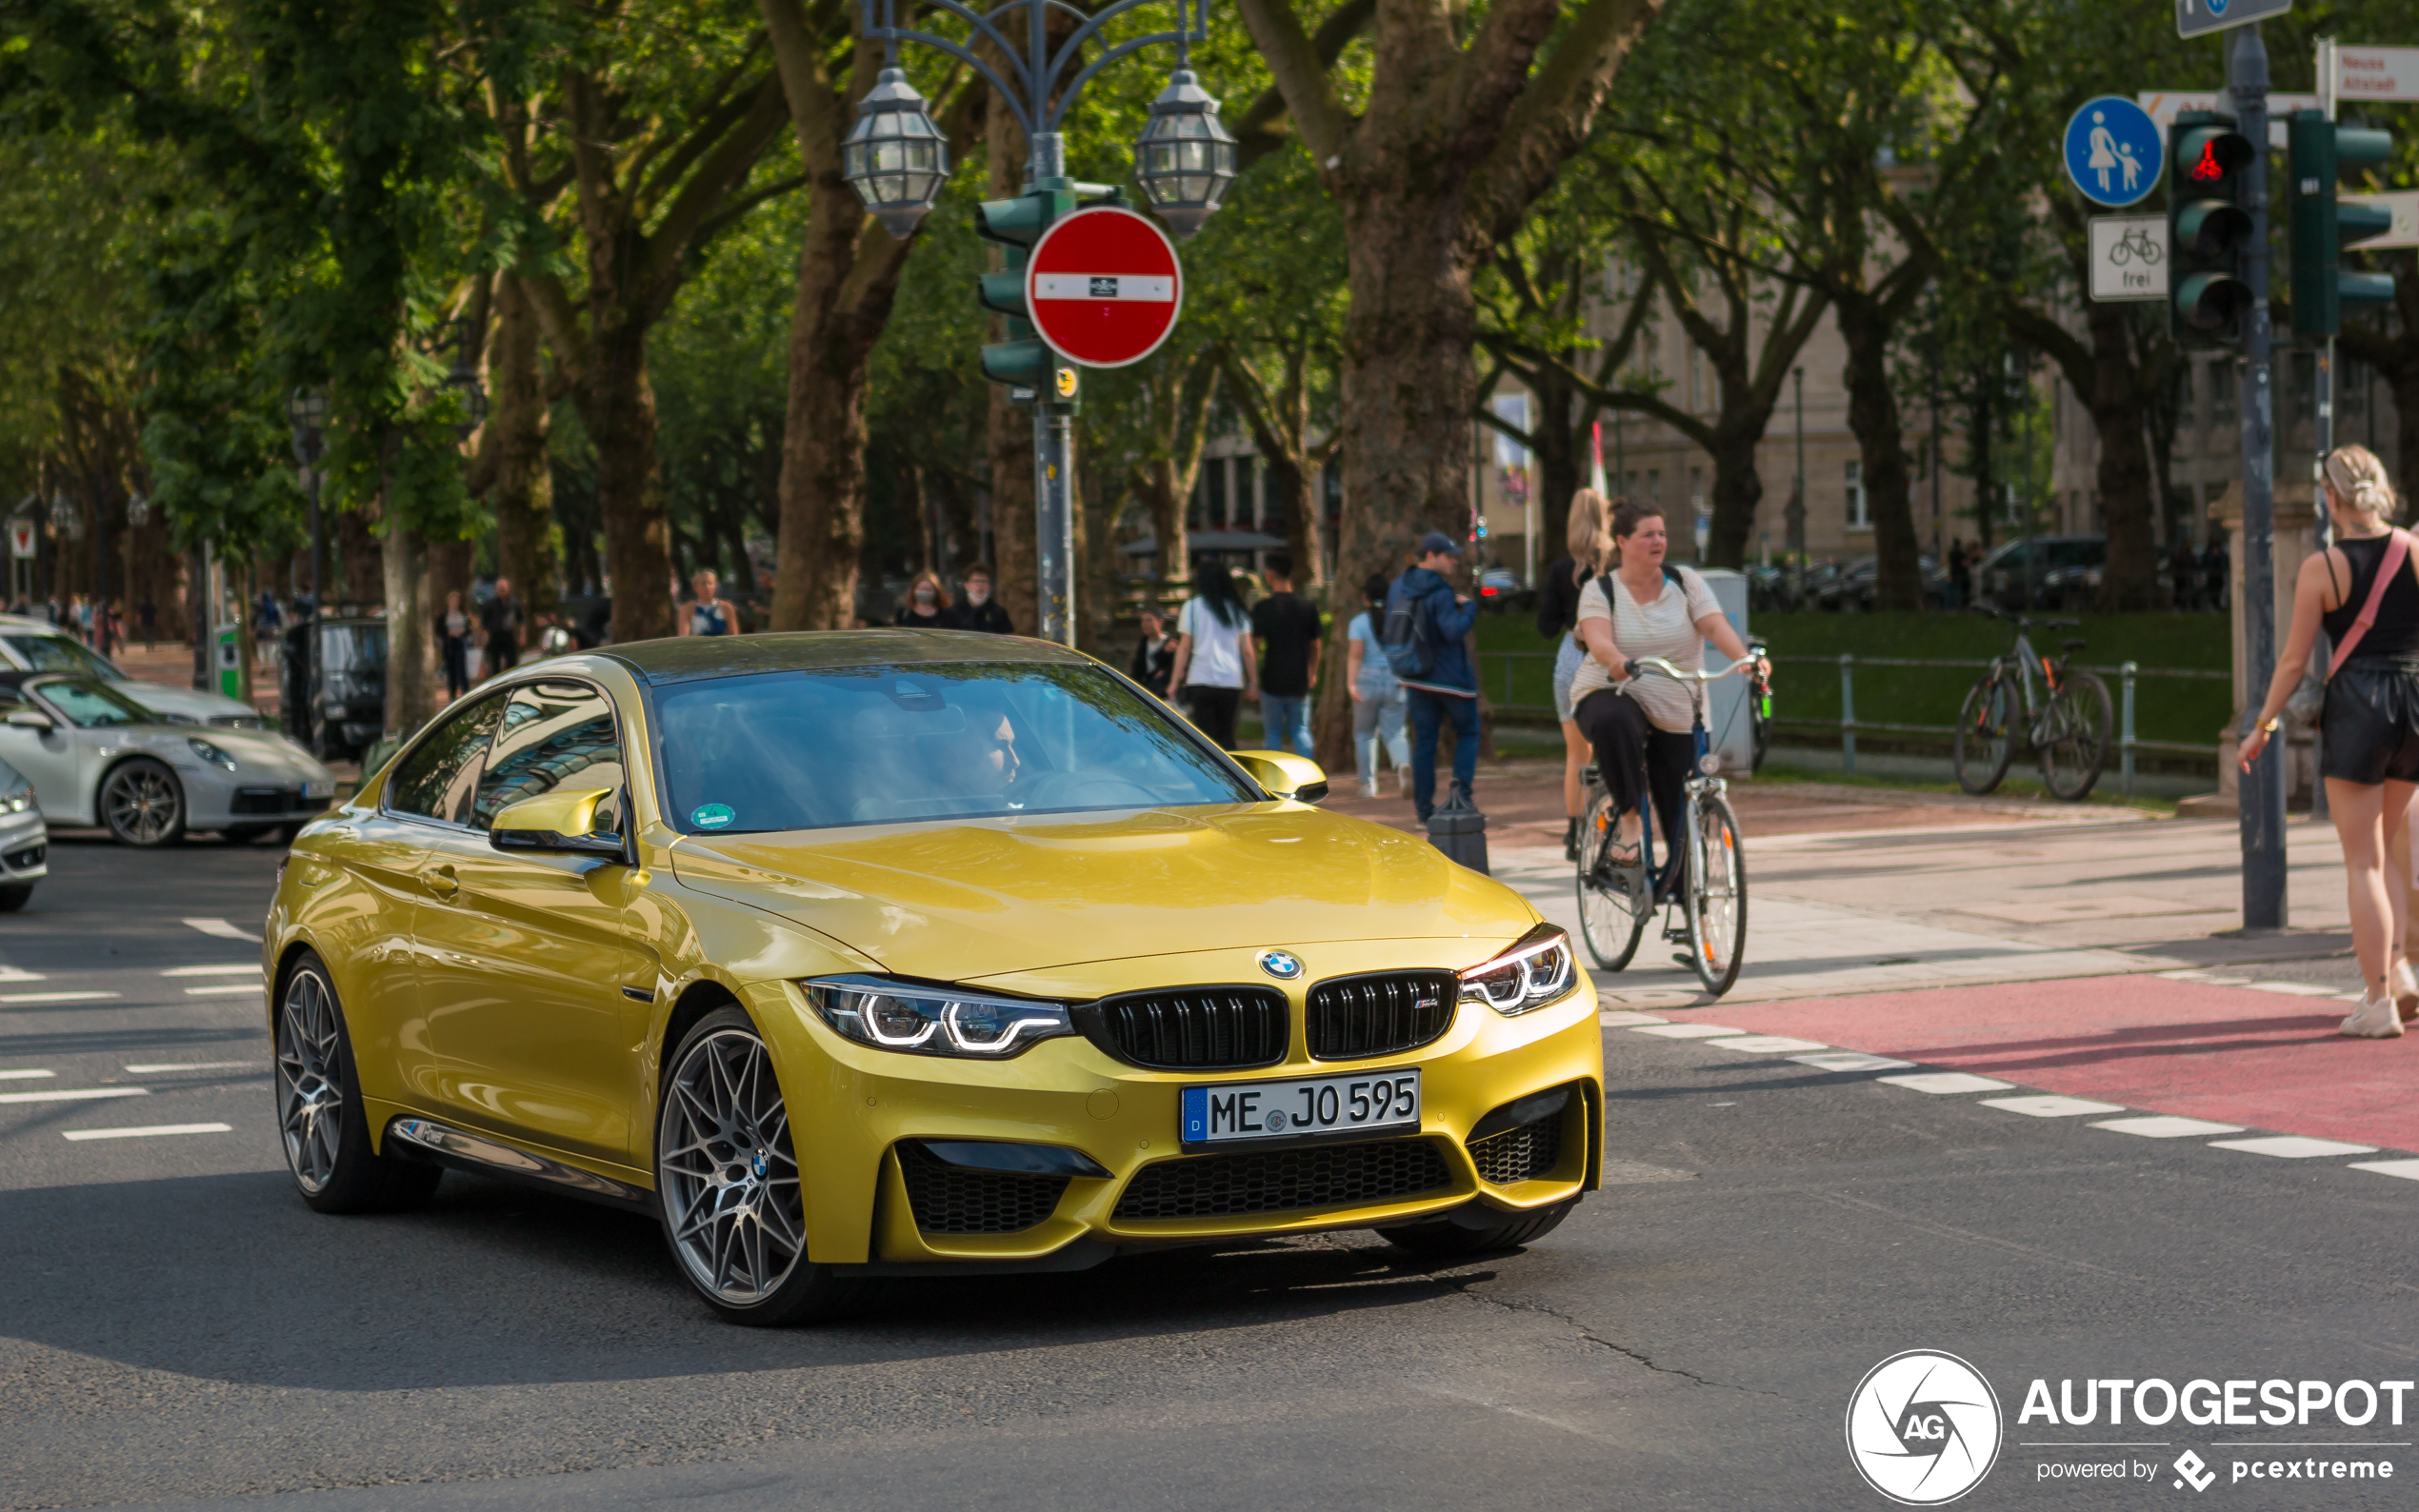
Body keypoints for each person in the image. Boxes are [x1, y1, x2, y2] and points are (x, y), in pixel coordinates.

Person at [2239, 444, 2419, 1037]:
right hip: (2413, 705)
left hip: (2358, 710)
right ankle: (2397, 973)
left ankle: (2376, 1002)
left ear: (2331, 498)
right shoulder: (2414, 550)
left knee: (2362, 860)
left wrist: (2263, 725)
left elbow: (2293, 662)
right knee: (2392, 848)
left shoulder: (2324, 567)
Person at [1571, 500, 1767, 879]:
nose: (1658, 541)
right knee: (1615, 722)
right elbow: (1598, 638)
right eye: (1648, 535)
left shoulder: (1685, 581)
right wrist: (1615, 660)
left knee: (1681, 809)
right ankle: (1629, 821)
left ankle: (1686, 898)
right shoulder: (1600, 590)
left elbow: (1713, 626)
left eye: (1661, 533)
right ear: (1623, 542)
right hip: (1614, 689)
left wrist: (1744, 660)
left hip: (1678, 703)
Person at [1537, 489, 1610, 859]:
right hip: (1606, 657)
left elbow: (1545, 625)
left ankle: (1573, 831)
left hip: (1570, 657)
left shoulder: (1560, 569)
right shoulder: (1615, 565)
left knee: (1576, 754)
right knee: (1611, 748)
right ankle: (1611, 824)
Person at [1390, 531, 1482, 822]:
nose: (1454, 561)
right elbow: (1452, 630)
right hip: (1451, 679)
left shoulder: (1399, 587)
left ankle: (1424, 811)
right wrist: (1468, 608)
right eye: (1448, 556)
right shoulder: (1441, 591)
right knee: (1468, 732)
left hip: (1414, 675)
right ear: (1430, 555)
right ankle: (1461, 798)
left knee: (1425, 743)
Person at [1167, 560, 1256, 748]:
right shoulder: (1238, 610)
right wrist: (1253, 682)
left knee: (1205, 741)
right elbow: (1247, 650)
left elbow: (1184, 648)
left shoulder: (1191, 607)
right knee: (1227, 736)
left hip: (1201, 678)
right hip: (1231, 681)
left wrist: (1174, 681)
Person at [1249, 551, 1322, 759]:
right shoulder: (1307, 607)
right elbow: (1316, 645)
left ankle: (1275, 780)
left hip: (1272, 677)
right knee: (1300, 730)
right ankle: (1310, 775)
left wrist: (1253, 677)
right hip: (1299, 678)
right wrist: (1313, 671)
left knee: (1272, 733)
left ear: (1270, 574)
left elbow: (1253, 645)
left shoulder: (1263, 607)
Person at [1345, 572, 1410, 798]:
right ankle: (1402, 764)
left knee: (1364, 734)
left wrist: (1351, 683)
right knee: (1396, 732)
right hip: (1396, 680)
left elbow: (1355, 656)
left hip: (1367, 681)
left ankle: (1368, 785)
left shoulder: (1359, 623)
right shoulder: (1400, 620)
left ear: (1365, 598)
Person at [1129, 605, 1177, 699]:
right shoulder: (1143, 644)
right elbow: (1137, 672)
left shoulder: (1170, 643)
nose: (1145, 624)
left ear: (1160, 622)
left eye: (1149, 620)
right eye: (1143, 621)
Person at [482, 577, 525, 671]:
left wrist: (522, 635)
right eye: (500, 589)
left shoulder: (514, 603)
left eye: (503, 589)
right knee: (495, 663)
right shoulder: (490, 604)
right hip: (495, 636)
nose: (502, 591)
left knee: (511, 662)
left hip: (508, 635)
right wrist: (485, 637)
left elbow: (521, 620)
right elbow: (485, 623)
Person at [680, 570, 739, 636]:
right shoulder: (687, 609)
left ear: (715, 586)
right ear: (695, 587)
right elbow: (683, 637)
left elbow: (734, 635)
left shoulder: (726, 607)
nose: (707, 587)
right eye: (703, 584)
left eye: (710, 583)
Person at [894, 571, 959, 630]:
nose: (924, 592)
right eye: (921, 589)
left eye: (928, 589)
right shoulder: (904, 615)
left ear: (936, 592)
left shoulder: (947, 616)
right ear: (913, 590)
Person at [958, 567, 1014, 634]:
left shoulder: (999, 613)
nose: (980, 585)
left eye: (984, 581)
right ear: (966, 585)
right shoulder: (954, 613)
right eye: (976, 581)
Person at [438, 590, 471, 699]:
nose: (455, 603)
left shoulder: (463, 614)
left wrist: (463, 631)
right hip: (449, 645)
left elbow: (469, 628)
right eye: (453, 600)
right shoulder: (444, 615)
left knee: (461, 669)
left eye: (457, 601)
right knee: (451, 670)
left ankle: (466, 693)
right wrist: (448, 633)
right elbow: (439, 629)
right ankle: (452, 694)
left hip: (460, 643)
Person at [2169, 534, 2201, 612]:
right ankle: (2180, 606)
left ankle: (2187, 607)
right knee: (2180, 592)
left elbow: (2194, 564)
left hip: (2187, 575)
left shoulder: (2188, 554)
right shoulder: (2181, 554)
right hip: (2181, 576)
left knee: (2188, 592)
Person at [1947, 539, 1971, 612]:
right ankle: (1964, 607)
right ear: (1959, 545)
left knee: (1956, 591)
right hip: (1963, 575)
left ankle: (1955, 606)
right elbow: (1964, 564)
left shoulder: (1951, 553)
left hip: (1954, 574)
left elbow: (1950, 564)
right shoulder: (1961, 554)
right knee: (1965, 591)